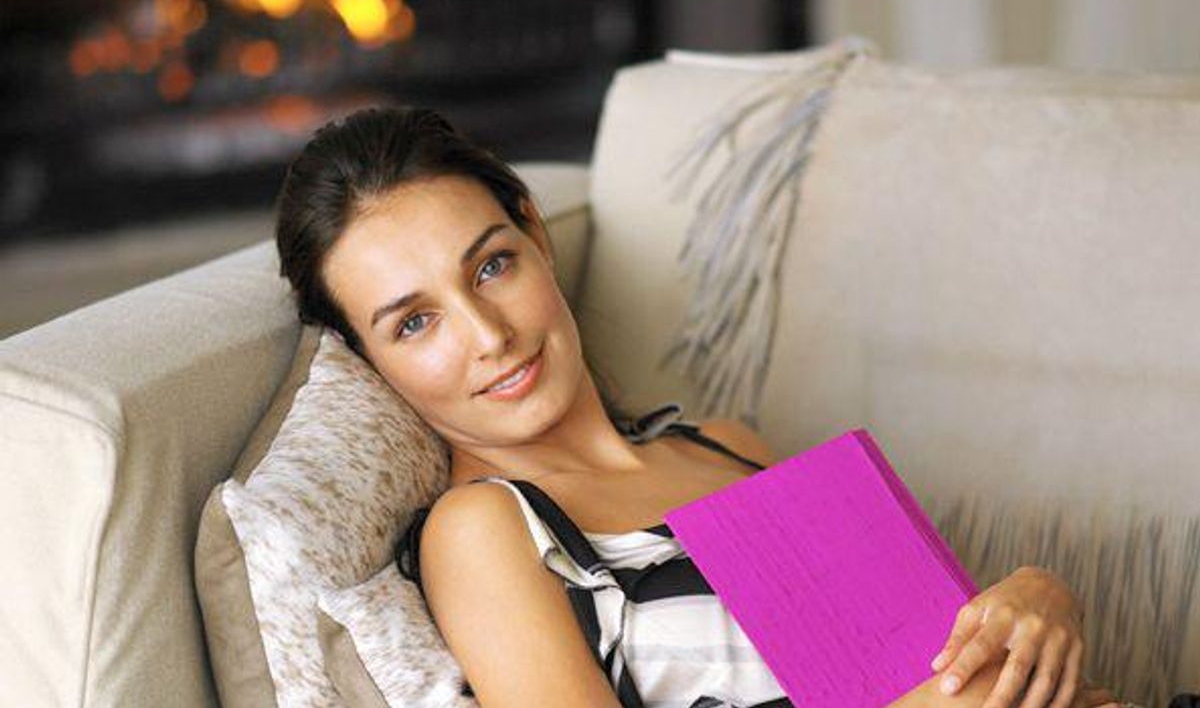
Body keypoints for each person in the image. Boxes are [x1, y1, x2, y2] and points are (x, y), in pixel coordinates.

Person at [274, 106, 1126, 708]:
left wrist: (1040, 598)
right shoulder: (487, 529)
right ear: (372, 361)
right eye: (416, 322)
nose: (488, 335)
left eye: (492, 265)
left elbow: (935, 655)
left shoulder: (727, 446)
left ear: (535, 235)